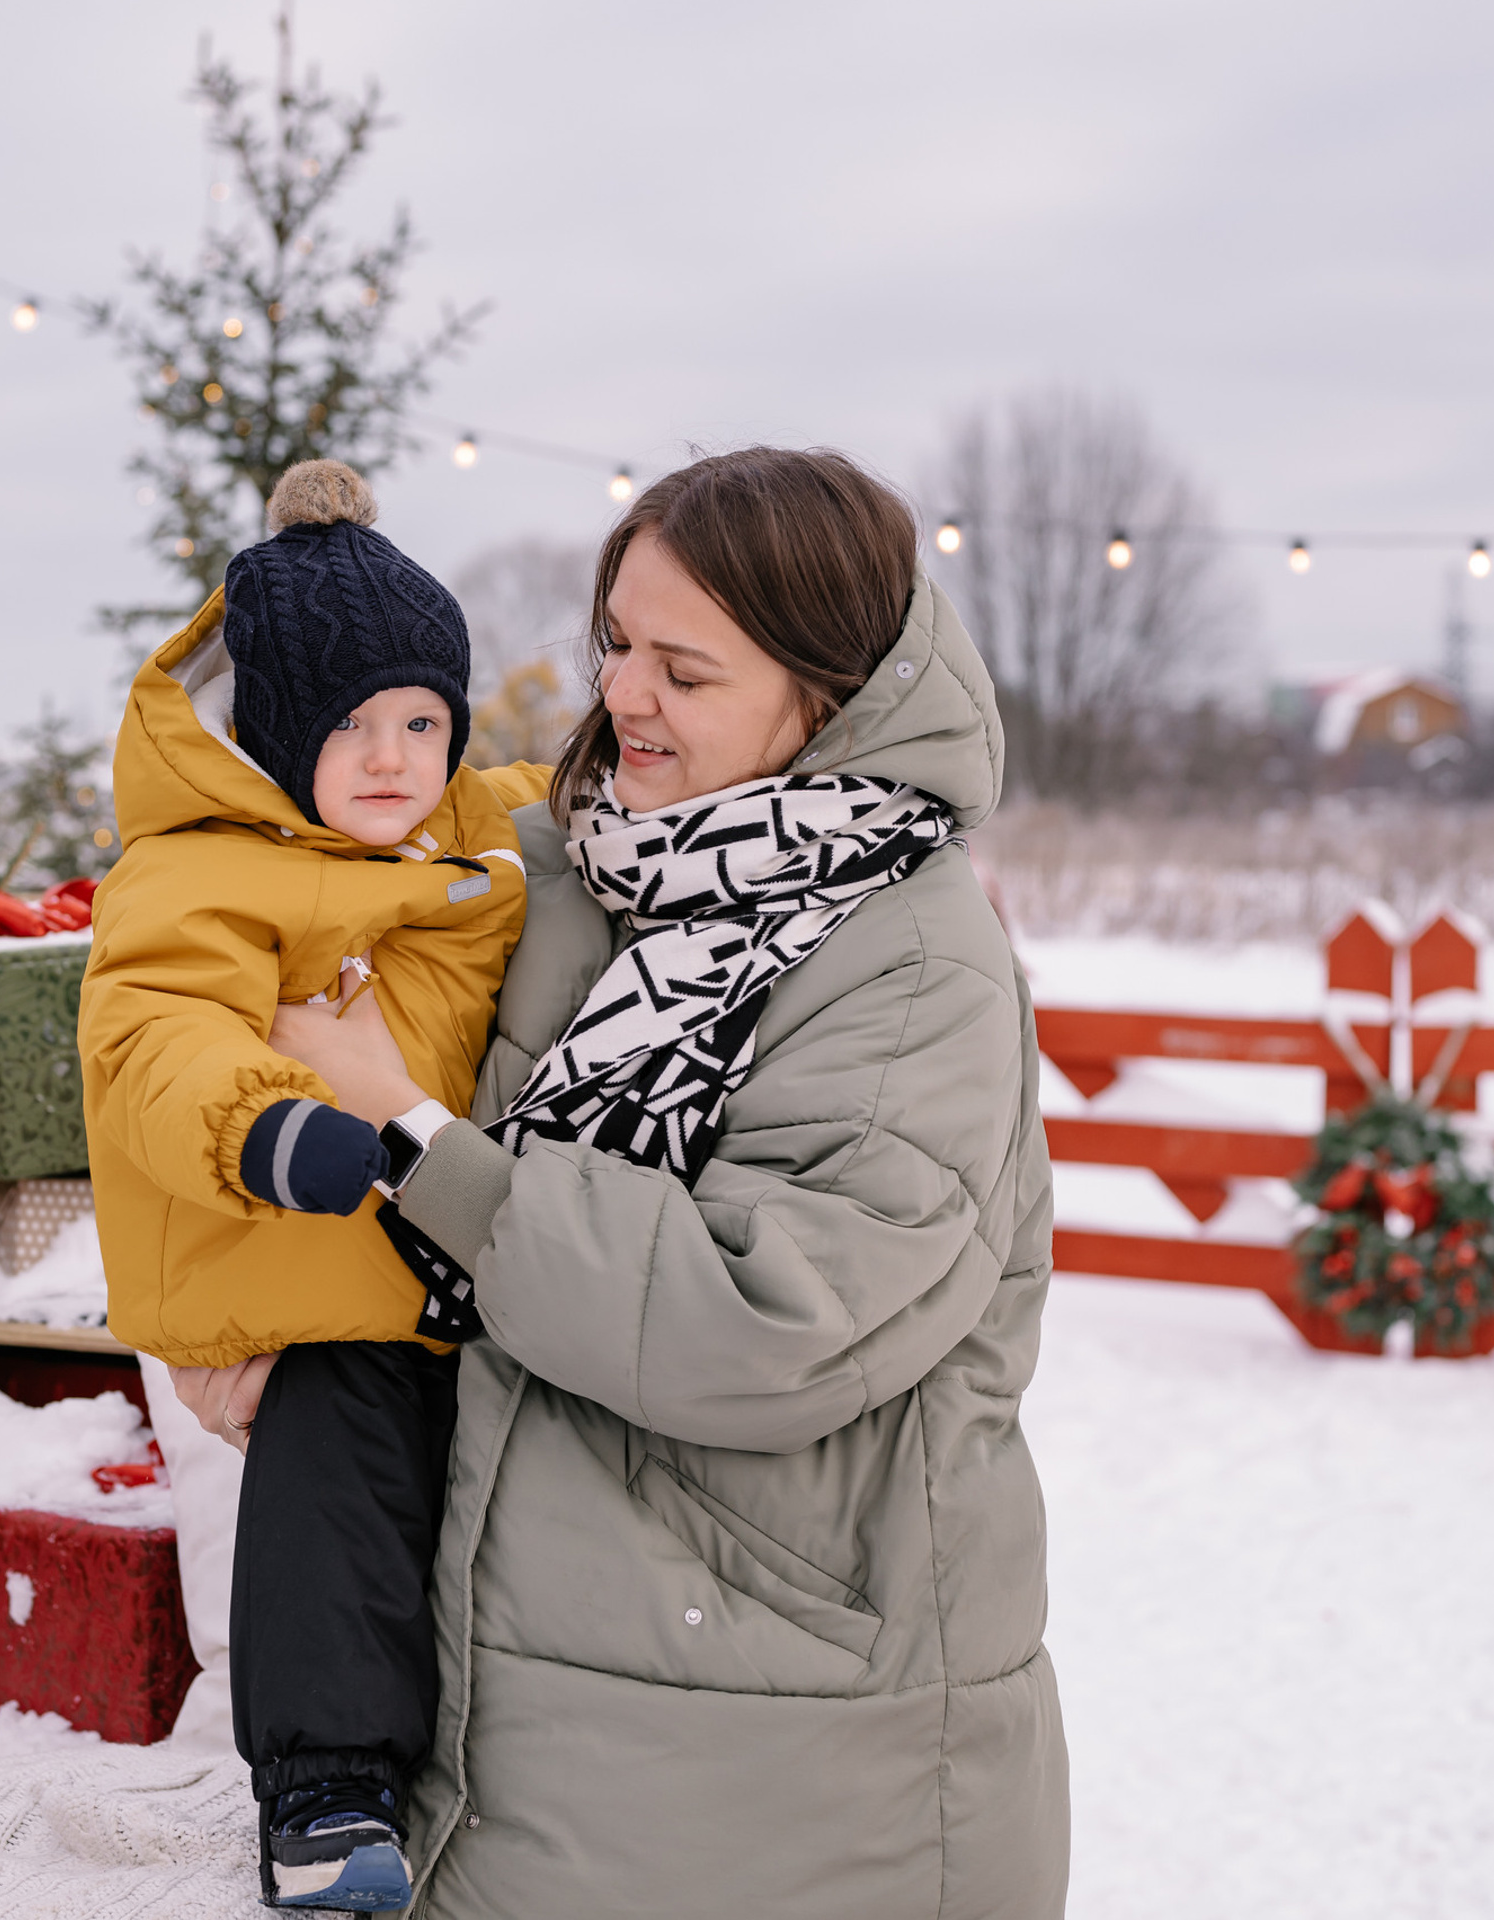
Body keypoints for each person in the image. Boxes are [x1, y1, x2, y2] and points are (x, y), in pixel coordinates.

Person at [193, 444, 1070, 1917]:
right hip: (544, 1724)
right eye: (614, 644)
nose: (623, 695)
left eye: (686, 667)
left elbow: (771, 1320)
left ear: (827, 694)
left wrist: (414, 1140)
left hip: (783, 1754)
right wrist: (245, 1309)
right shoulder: (557, 868)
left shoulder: (912, 965)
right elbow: (261, 1011)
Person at [78, 459, 549, 1911]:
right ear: (278, 734)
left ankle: (523, 1766)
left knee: (495, 1511)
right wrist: (275, 1124)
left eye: (422, 718)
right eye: (353, 725)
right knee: (331, 1495)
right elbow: (157, 1034)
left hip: (460, 1265)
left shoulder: (476, 833)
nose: (396, 756)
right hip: (311, 1266)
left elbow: (572, 803)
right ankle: (325, 1794)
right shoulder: (203, 876)